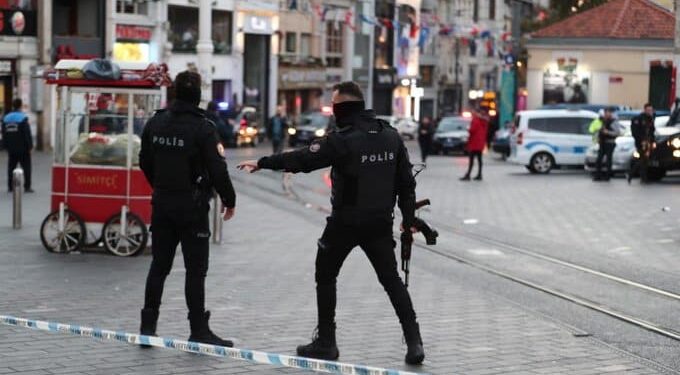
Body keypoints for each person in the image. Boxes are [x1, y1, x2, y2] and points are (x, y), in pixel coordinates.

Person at [237, 81, 425, 365]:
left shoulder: (342, 139)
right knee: (392, 281)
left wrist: (263, 162)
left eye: (335, 105)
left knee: (325, 273)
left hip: (345, 222)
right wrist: (409, 219)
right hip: (379, 223)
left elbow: (303, 159)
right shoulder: (391, 136)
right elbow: (406, 184)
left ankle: (326, 341)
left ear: (343, 108)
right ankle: (415, 342)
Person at [139, 71, 237, 347]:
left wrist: (159, 185)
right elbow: (218, 169)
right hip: (192, 207)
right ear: (198, 97)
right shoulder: (203, 127)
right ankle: (198, 329)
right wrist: (229, 200)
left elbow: (144, 161)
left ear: (174, 93)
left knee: (159, 266)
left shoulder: (155, 123)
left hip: (162, 203)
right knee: (195, 270)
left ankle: (148, 327)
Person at [2, 98, 33, 193]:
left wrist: (5, 145)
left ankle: (10, 186)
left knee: (11, 167)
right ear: (20, 106)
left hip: (11, 148)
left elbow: (4, 133)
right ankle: (27, 187)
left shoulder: (6, 118)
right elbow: (27, 133)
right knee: (26, 167)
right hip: (23, 148)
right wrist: (30, 146)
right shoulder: (23, 118)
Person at [627, 104, 656, 184]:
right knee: (643, 160)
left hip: (648, 142)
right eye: (648, 110)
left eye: (651, 110)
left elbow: (652, 132)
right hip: (641, 143)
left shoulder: (651, 119)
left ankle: (640, 177)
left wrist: (653, 141)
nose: (650, 112)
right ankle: (634, 175)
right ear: (645, 110)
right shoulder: (638, 119)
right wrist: (641, 140)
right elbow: (635, 132)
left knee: (644, 161)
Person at [593, 107, 622, 181]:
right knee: (599, 160)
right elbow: (599, 130)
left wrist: (607, 132)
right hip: (602, 142)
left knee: (608, 160)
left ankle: (607, 176)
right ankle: (598, 176)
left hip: (610, 142)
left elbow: (617, 133)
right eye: (605, 113)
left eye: (608, 113)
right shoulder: (603, 121)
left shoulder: (614, 122)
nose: (606, 114)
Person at [460, 109, 488, 181]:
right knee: (479, 159)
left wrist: (468, 129)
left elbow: (472, 130)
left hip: (474, 142)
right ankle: (479, 174)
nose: (473, 113)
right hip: (481, 143)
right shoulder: (484, 121)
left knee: (471, 159)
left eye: (474, 112)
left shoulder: (475, 120)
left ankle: (468, 175)